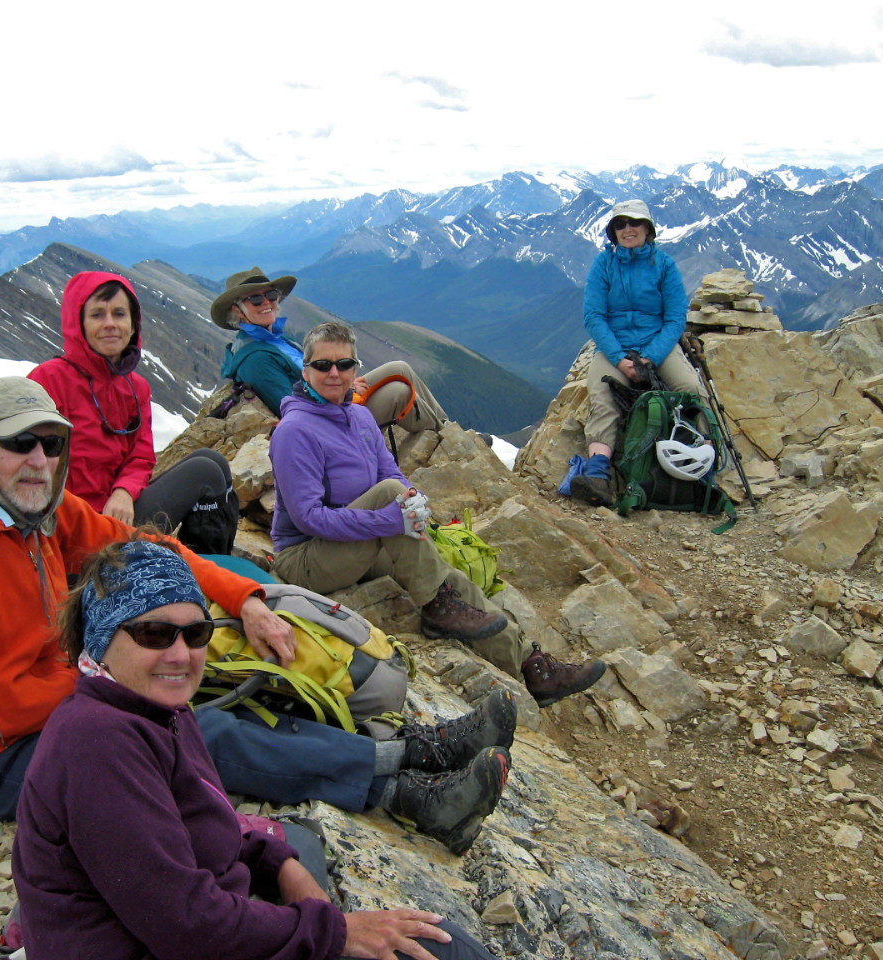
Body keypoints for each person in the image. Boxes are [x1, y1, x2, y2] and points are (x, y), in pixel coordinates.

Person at [0, 378, 511, 854]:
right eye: (19, 446)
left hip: (72, 701)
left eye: (51, 444)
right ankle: (406, 793)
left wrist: (244, 599)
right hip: (9, 760)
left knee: (215, 678)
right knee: (196, 731)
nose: (40, 461)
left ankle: (420, 748)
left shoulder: (43, 513)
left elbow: (148, 549)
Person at [12, 538, 503, 960]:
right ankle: (412, 774)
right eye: (154, 634)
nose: (180, 655)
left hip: (184, 927)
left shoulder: (154, 708)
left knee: (299, 846)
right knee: (436, 945)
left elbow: (211, 823)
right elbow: (188, 927)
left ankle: (410, 765)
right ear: (102, 638)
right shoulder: (97, 744)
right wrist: (335, 933)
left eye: (195, 633)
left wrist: (278, 864)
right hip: (169, 943)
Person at [268, 320, 607, 709]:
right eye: (323, 365)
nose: (334, 373)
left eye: (344, 364)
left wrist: (413, 499)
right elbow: (310, 518)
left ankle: (532, 666)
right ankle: (436, 608)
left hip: (355, 545)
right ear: (305, 370)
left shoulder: (359, 418)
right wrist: (391, 517)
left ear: (355, 369)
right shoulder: (295, 431)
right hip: (306, 558)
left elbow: (390, 472)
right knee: (393, 503)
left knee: (449, 577)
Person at [30, 271, 237, 553]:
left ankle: (197, 564)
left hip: (120, 513)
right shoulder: (49, 380)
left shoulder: (135, 386)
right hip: (75, 531)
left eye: (119, 314)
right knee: (205, 472)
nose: (110, 324)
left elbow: (140, 453)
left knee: (213, 460)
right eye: (97, 315)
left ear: (132, 323)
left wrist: (124, 490)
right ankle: (197, 568)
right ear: (77, 323)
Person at [570, 200, 706, 506]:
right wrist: (620, 360)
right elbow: (594, 316)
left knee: (691, 389)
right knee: (602, 395)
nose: (627, 229)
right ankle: (598, 474)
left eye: (634, 223)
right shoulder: (603, 265)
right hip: (616, 347)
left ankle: (701, 458)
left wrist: (650, 359)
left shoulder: (664, 265)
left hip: (656, 344)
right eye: (620, 224)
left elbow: (675, 318)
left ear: (648, 229)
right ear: (613, 232)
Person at [212, 266, 448, 432]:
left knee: (400, 368)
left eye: (270, 295)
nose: (266, 302)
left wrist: (342, 385)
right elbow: (294, 409)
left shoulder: (270, 339)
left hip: (336, 397)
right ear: (238, 310)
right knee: (398, 393)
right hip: (329, 421)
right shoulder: (256, 359)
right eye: (255, 299)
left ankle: (446, 427)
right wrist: (344, 392)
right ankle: (442, 439)